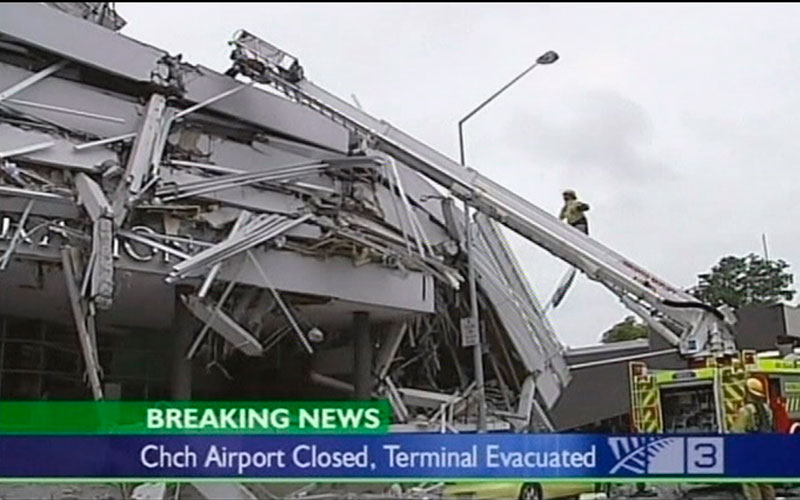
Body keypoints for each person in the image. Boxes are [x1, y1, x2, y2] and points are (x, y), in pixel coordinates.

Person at [731, 377, 776, 500]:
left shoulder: (745, 411)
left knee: (751, 482)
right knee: (766, 481)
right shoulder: (767, 409)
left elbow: (736, 433)